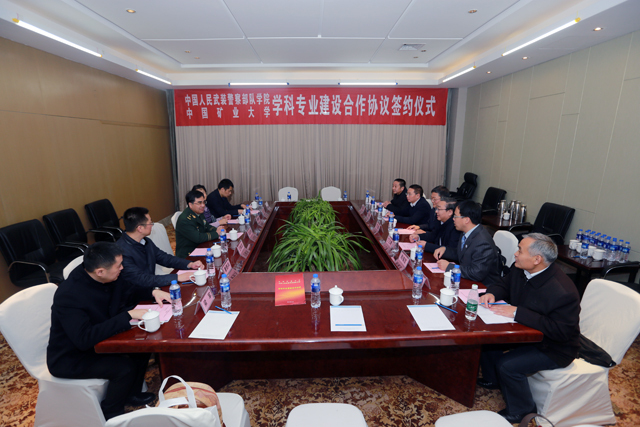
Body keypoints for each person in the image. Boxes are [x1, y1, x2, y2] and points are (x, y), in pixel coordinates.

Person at [47, 242, 171, 420]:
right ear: (100, 271)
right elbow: (83, 338)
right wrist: (127, 316)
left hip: (100, 338)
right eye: (118, 266)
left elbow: (129, 290)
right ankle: (112, 413)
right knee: (124, 368)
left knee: (141, 346)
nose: (122, 268)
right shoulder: (69, 295)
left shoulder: (108, 276)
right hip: (71, 356)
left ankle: (131, 394)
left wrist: (152, 292)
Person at [477, 234, 581, 423]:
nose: (515, 254)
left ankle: (523, 410)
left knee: (507, 365)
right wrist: (492, 293)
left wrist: (518, 312)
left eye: (520, 250)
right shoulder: (521, 268)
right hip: (526, 332)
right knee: (486, 338)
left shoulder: (563, 291)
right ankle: (493, 379)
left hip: (554, 347)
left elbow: (561, 331)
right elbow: (503, 284)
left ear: (537, 259)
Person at [117, 207, 204, 287]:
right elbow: (142, 279)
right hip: (135, 294)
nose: (152, 225)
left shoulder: (146, 241)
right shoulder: (121, 252)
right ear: (140, 228)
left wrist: (189, 264)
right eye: (150, 223)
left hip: (150, 288)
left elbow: (164, 258)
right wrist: (177, 277)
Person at [433, 200, 501, 285]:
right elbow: (462, 253)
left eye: (456, 216)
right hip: (468, 279)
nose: (453, 219)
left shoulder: (482, 242)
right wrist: (445, 249)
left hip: (483, 286)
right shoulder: (466, 232)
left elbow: (476, 273)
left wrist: (449, 267)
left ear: (466, 220)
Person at [176, 190, 225, 258]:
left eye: (204, 202)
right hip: (188, 254)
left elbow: (207, 226)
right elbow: (198, 238)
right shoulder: (185, 219)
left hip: (199, 247)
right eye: (199, 203)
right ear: (190, 205)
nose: (203, 205)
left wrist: (217, 229)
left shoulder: (199, 213)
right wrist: (216, 233)